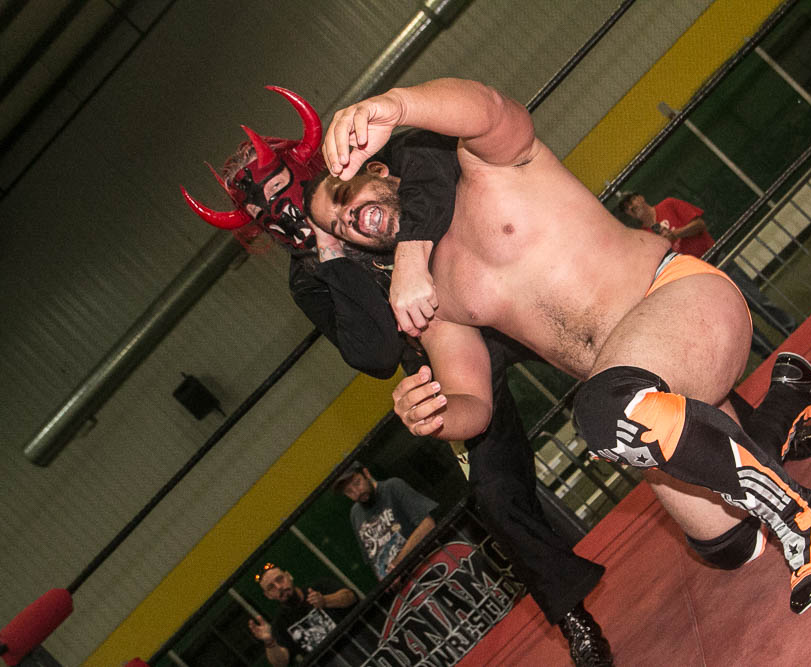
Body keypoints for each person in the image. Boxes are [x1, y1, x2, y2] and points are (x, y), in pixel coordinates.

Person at [315, 77, 811, 615]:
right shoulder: (429, 295)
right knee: (730, 545)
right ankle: (792, 395)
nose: (350, 218)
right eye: (339, 227)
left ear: (377, 169)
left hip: (682, 303)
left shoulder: (487, 166)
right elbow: (474, 404)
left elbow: (490, 107)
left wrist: (395, 105)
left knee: (604, 410)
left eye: (344, 195)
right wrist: (434, 415)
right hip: (643, 400)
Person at [180, 88, 614, 665]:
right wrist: (332, 254)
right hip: (447, 360)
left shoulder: (376, 166)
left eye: (283, 193)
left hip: (499, 294)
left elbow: (436, 161)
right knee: (493, 493)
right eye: (267, 214)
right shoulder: (309, 277)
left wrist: (411, 255)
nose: (283, 214)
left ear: (307, 173)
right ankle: (574, 618)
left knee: (610, 346)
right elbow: (375, 354)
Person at [618, 192, 798, 358]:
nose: (632, 206)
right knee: (737, 319)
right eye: (627, 208)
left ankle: (794, 331)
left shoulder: (668, 205)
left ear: (641, 197)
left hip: (716, 259)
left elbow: (699, 225)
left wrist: (675, 234)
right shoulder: (645, 236)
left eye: (632, 200)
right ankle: (771, 357)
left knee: (756, 300)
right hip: (700, 279)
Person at [333, 462, 439, 580]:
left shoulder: (392, 487)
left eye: (357, 483)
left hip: (428, 566)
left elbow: (427, 525)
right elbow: (372, 560)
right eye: (349, 491)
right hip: (402, 584)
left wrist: (397, 564)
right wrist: (386, 581)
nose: (357, 492)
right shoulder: (355, 514)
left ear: (366, 474)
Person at [248, 562, 357, 667]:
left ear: (289, 576)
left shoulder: (319, 587)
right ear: (268, 595)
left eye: (280, 579)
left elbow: (351, 597)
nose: (279, 587)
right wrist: (269, 642)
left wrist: (325, 600)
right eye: (271, 587)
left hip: (357, 644)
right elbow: (281, 663)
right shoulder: (280, 624)